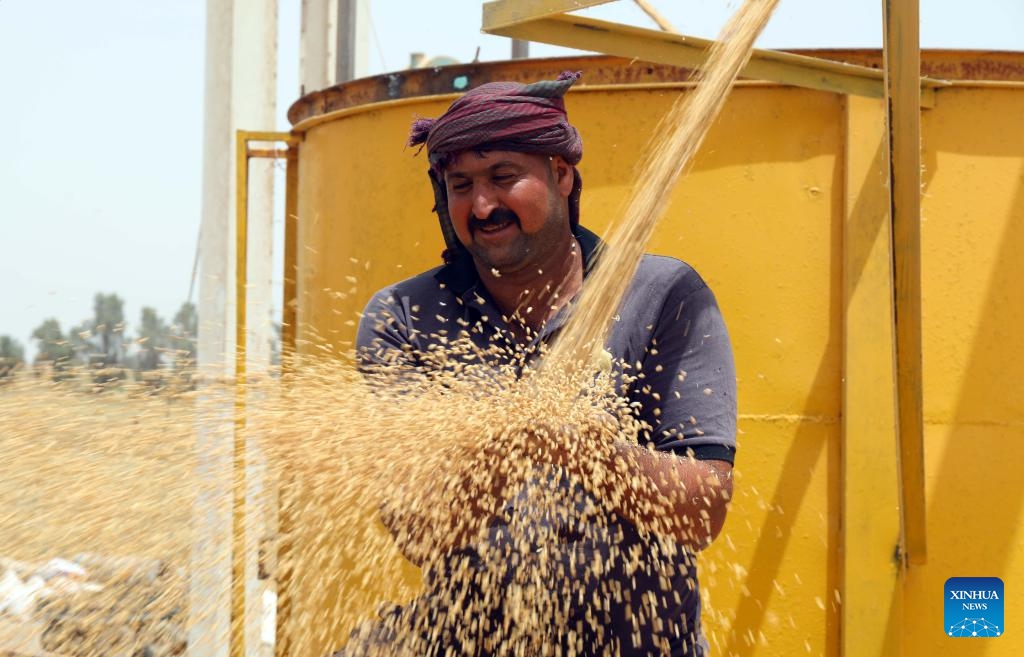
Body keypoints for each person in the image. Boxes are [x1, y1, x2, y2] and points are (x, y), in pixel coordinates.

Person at [351, 72, 737, 657]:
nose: (482, 205)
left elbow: (703, 513)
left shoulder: (661, 294)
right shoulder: (405, 318)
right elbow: (421, 533)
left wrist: (588, 452)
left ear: (561, 175)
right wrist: (515, 441)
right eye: (461, 185)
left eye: (503, 178)